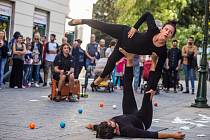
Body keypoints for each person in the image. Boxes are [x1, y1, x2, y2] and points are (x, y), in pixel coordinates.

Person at [86, 49, 185, 139]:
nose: (109, 120)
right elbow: (152, 135)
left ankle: (129, 58)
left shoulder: (105, 127)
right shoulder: (128, 130)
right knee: (148, 92)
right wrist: (173, 135)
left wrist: (91, 126)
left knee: (127, 89)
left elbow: (98, 126)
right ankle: (154, 62)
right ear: (115, 130)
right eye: (110, 122)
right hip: (143, 119)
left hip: (129, 113)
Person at [69, 11, 176, 93]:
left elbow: (157, 71)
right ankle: (82, 21)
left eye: (170, 32)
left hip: (125, 49)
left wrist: (152, 88)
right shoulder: (153, 29)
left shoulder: (162, 51)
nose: (167, 32)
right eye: (166, 29)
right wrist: (135, 27)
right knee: (103, 26)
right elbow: (147, 14)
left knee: (111, 60)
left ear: (171, 37)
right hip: (125, 32)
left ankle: (101, 78)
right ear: (162, 29)